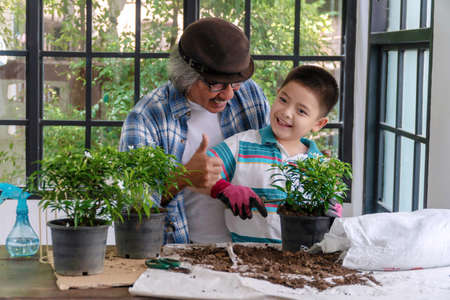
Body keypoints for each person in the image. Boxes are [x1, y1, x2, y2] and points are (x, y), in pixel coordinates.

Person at [119, 17, 270, 244]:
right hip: (181, 255)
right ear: (186, 75)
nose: (229, 95)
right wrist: (183, 177)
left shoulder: (251, 96)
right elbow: (133, 214)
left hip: (251, 250)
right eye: (216, 84)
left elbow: (275, 155)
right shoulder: (146, 119)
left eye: (235, 83)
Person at [206, 65, 341, 243]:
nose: (286, 112)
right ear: (276, 95)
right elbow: (202, 168)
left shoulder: (321, 168)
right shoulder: (242, 145)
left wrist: (333, 217)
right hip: (242, 257)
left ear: (318, 124)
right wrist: (224, 189)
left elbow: (331, 227)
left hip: (300, 261)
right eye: (283, 100)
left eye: (301, 111)